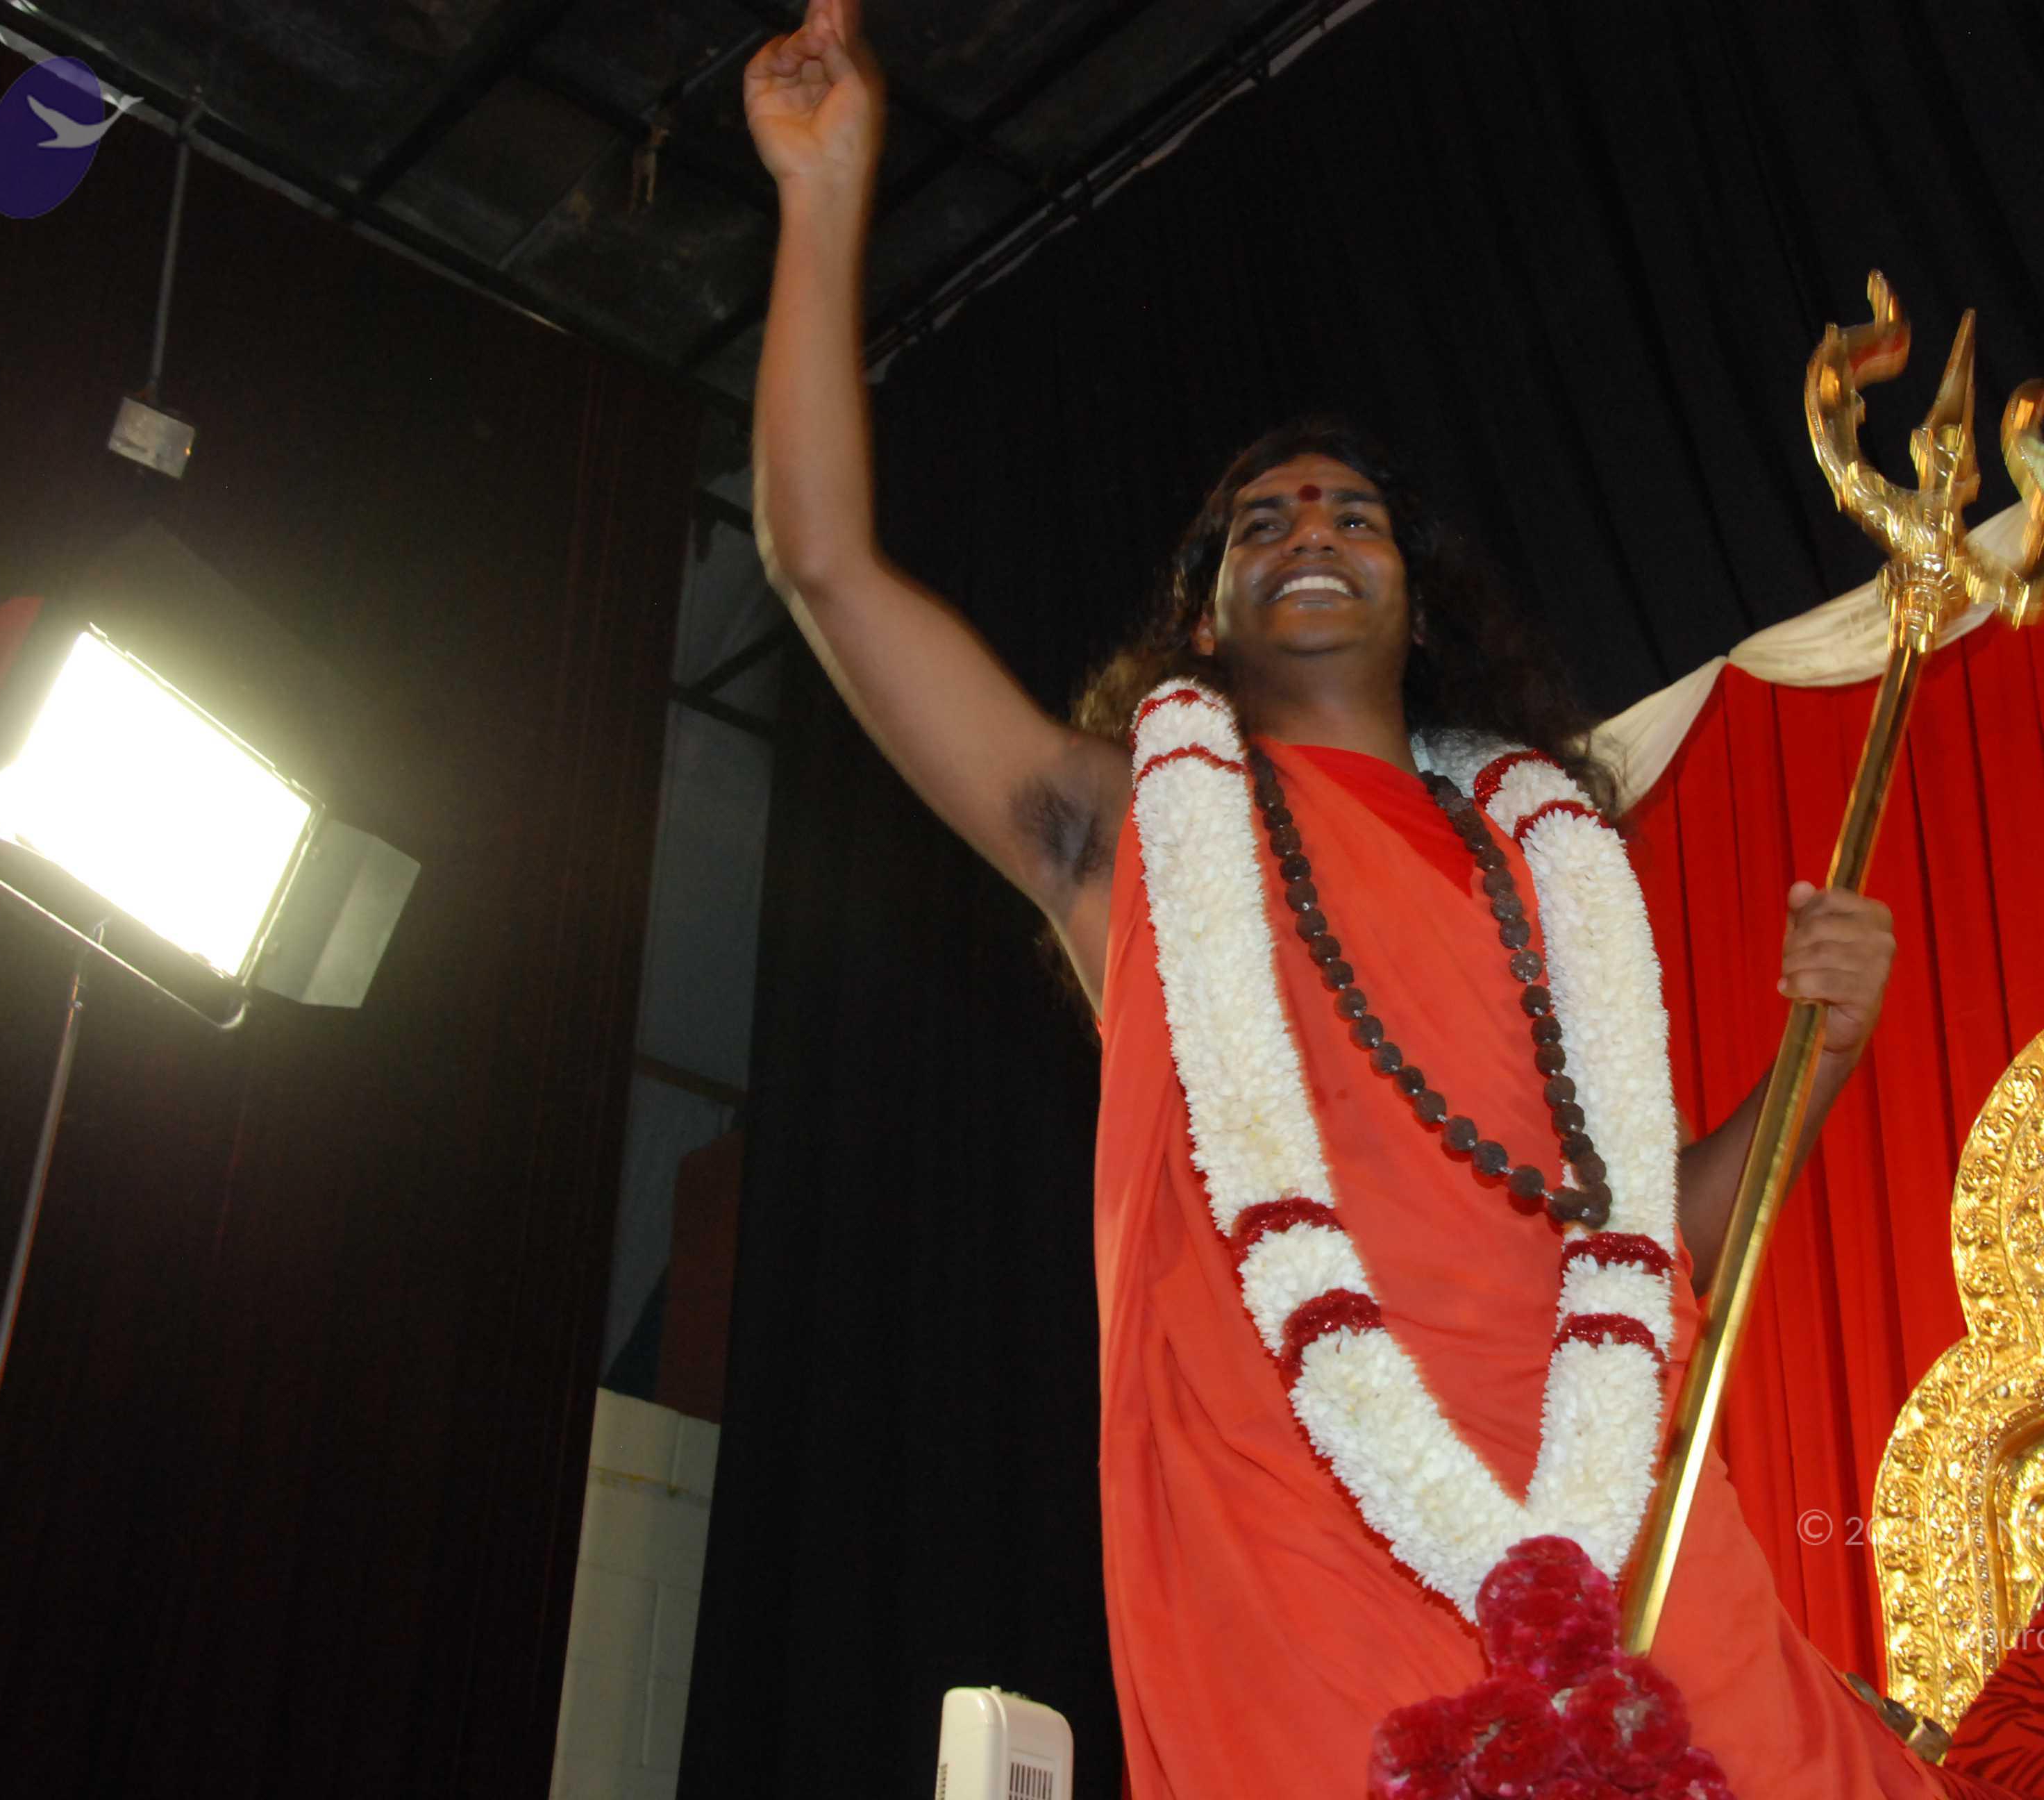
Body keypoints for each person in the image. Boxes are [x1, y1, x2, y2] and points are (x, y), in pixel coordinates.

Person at [741, 6, 1943, 1795]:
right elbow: (826, 566)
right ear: (1206, 612)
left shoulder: (1541, 880)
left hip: (1603, 1493)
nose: (1310, 528)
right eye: (1262, 522)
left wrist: (1820, 1056)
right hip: (1291, 1488)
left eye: (1354, 515)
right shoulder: (1128, 830)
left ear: (1417, 600)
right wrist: (826, 195)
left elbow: (1662, 1241)